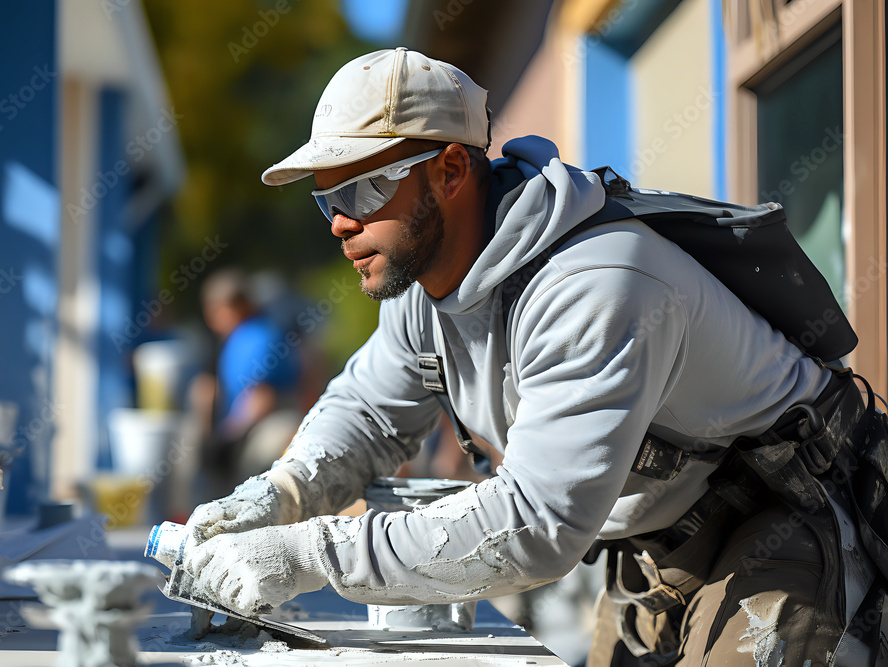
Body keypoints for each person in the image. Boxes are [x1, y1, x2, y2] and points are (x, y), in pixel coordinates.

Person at [175, 48, 885, 664]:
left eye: (364, 188)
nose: (339, 221)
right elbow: (364, 411)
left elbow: (537, 525)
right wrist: (279, 495)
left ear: (451, 168)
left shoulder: (596, 284)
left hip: (782, 517)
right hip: (659, 543)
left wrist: (309, 554)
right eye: (326, 197)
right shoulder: (426, 293)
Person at [194, 269, 302, 493]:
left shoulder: (260, 336)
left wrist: (228, 437)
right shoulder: (235, 337)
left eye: (216, 311)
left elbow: (262, 398)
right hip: (245, 424)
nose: (212, 319)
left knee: (252, 468)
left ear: (234, 306)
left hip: (267, 422)